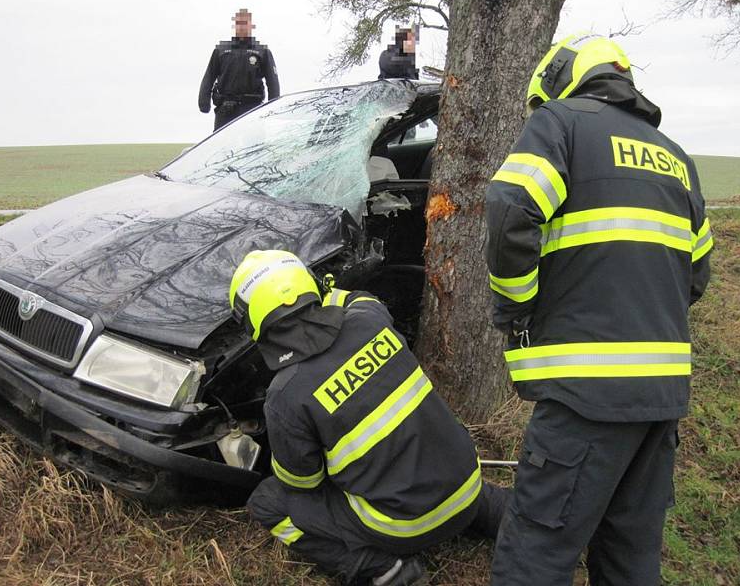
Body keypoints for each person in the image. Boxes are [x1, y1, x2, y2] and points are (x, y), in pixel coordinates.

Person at [484, 33, 712, 585]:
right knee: (630, 556)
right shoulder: (675, 158)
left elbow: (511, 207)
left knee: (535, 552)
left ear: (560, 78)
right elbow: (698, 271)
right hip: (660, 401)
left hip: (585, 397)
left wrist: (516, 307)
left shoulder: (559, 124)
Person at [229, 250, 509, 586]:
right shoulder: (369, 319)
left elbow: (302, 484)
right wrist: (324, 290)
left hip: (403, 527)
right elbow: (359, 297)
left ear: (251, 320)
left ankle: (382, 568)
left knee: (268, 502)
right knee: (459, 488)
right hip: (468, 483)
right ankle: (523, 520)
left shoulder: (284, 396)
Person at [198, 8, 280, 131]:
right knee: (221, 148)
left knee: (253, 148)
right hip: (225, 109)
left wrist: (273, 107)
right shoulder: (221, 50)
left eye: (245, 24)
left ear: (251, 25)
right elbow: (209, 77)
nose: (242, 27)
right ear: (235, 26)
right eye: (239, 24)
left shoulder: (262, 51)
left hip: (252, 109)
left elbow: (272, 81)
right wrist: (204, 104)